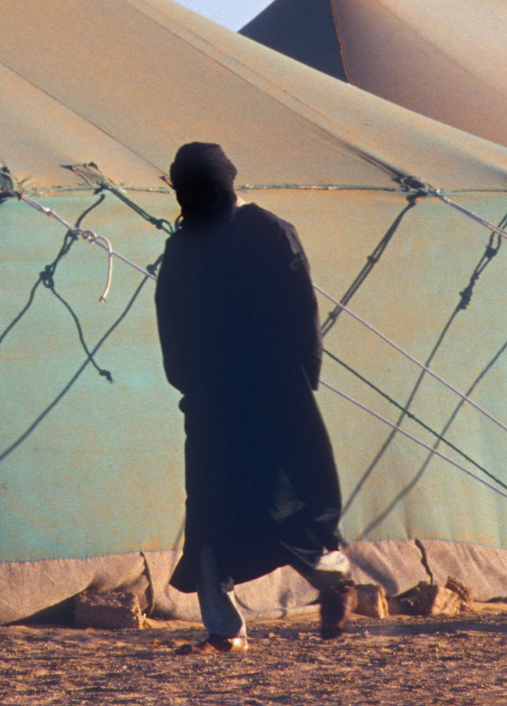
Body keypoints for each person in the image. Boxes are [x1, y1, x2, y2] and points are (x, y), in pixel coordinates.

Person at [154, 141, 354, 653]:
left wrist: (299, 381)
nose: (196, 202)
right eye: (187, 193)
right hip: (211, 402)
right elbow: (172, 321)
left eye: (205, 192)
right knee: (208, 510)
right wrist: (189, 383)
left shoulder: (269, 234)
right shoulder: (182, 248)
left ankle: (336, 581)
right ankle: (224, 631)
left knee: (284, 503)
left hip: (273, 395)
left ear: (225, 187)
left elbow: (301, 310)